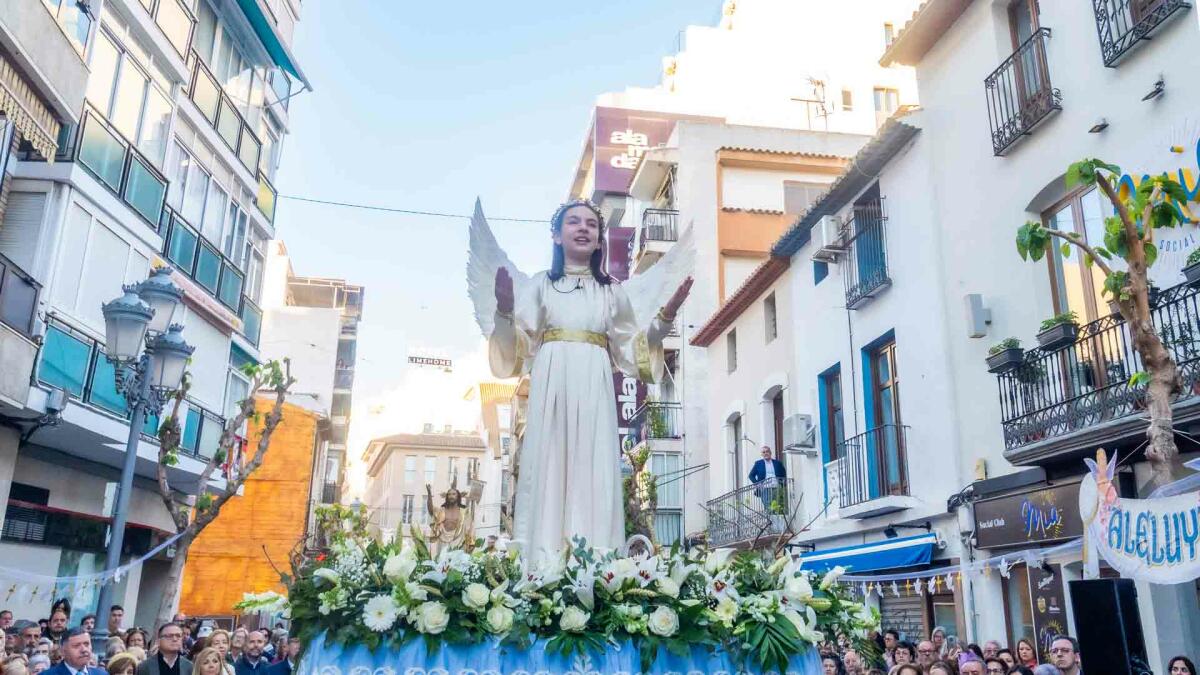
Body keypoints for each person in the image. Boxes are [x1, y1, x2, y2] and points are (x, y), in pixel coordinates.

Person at [478, 199, 692, 559]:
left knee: (594, 469)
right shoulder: (540, 286)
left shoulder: (611, 292)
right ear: (557, 236)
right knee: (547, 466)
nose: (583, 228)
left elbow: (631, 350)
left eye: (592, 225)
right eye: (574, 222)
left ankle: (596, 564)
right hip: (551, 384)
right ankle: (541, 564)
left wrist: (665, 319)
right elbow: (518, 347)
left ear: (598, 242)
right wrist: (503, 310)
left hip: (594, 385)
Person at [748, 445, 788, 510]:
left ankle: (774, 519)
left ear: (770, 453)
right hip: (764, 488)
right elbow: (751, 475)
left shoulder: (777, 463)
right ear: (761, 454)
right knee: (768, 505)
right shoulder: (758, 463)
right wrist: (758, 484)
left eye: (767, 451)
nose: (765, 453)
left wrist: (784, 484)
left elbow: (783, 474)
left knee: (776, 506)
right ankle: (770, 519)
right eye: (763, 452)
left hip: (776, 487)